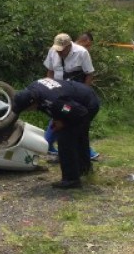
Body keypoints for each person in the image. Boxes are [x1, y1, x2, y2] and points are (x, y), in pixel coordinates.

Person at [14, 78, 100, 189]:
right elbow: (52, 107)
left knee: (66, 139)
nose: (28, 111)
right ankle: (84, 170)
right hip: (74, 99)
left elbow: (80, 113)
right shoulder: (33, 90)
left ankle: (71, 180)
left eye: (27, 109)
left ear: (32, 103)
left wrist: (63, 122)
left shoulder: (55, 101)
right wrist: (57, 118)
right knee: (79, 136)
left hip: (86, 104)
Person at [42, 32, 100, 160]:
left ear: (69, 46)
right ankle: (48, 144)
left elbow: (89, 74)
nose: (59, 52)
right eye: (57, 49)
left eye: (62, 50)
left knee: (70, 119)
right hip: (57, 91)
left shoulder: (82, 53)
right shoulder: (53, 51)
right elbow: (50, 71)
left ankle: (84, 151)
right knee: (59, 116)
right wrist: (47, 88)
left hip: (75, 93)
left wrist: (84, 93)